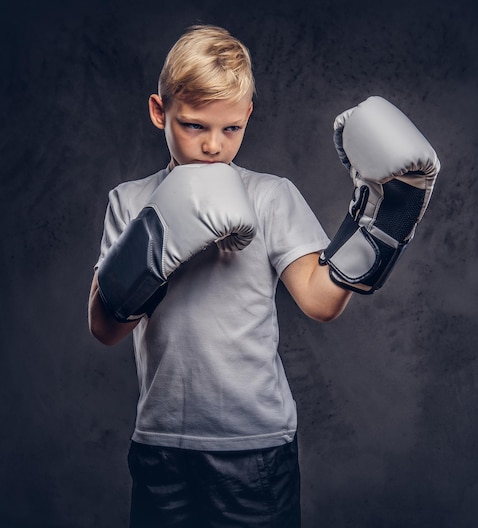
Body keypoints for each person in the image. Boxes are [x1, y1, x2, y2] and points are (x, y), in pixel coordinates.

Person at [88, 24, 439, 528]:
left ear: (248, 114)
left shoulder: (271, 196)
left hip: (254, 449)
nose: (213, 146)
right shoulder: (129, 200)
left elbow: (319, 302)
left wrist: (383, 221)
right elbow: (105, 328)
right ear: (158, 111)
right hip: (161, 444)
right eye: (193, 126)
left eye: (230, 129)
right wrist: (154, 251)